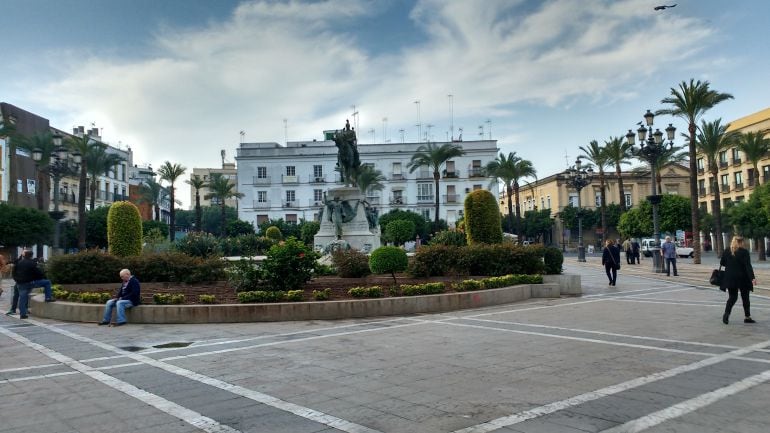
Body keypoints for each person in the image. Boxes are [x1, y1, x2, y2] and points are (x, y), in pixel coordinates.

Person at [720, 236, 756, 324]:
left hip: (730, 277)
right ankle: (747, 317)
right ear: (741, 242)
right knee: (745, 298)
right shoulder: (744, 252)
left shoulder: (727, 250)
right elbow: (748, 266)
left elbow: (722, 263)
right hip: (743, 278)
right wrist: (752, 278)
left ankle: (726, 314)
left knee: (732, 297)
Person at [12, 250, 54, 319]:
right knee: (47, 282)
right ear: (31, 256)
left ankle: (23, 314)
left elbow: (13, 272)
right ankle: (48, 298)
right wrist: (41, 277)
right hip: (30, 282)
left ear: (24, 255)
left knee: (22, 298)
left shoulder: (19, 262)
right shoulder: (32, 263)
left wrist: (17, 280)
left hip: (20, 283)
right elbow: (38, 273)